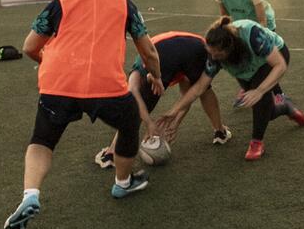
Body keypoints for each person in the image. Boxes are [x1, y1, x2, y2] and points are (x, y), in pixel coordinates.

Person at [4, 0, 163, 229]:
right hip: (105, 87)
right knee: (129, 120)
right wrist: (155, 75)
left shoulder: (60, 2)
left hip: (58, 84)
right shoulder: (122, 1)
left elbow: (29, 46)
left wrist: (48, 63)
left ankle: (31, 194)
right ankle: (122, 182)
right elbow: (149, 50)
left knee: (42, 141)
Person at [158, 15, 304, 162]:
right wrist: (174, 111)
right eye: (211, 53)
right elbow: (199, 87)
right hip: (246, 69)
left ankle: (257, 142)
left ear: (230, 48)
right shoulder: (214, 54)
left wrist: (260, 90)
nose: (214, 58)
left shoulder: (253, 35)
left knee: (259, 102)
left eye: (218, 54)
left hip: (273, 59)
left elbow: (280, 65)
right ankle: (286, 107)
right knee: (266, 113)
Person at [97, 30, 232, 169]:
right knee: (202, 90)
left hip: (186, 51)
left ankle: (111, 154)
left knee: (137, 107)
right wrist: (154, 123)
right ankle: (220, 132)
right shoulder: (144, 69)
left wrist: (166, 123)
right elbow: (189, 94)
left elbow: (134, 100)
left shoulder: (142, 68)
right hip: (188, 49)